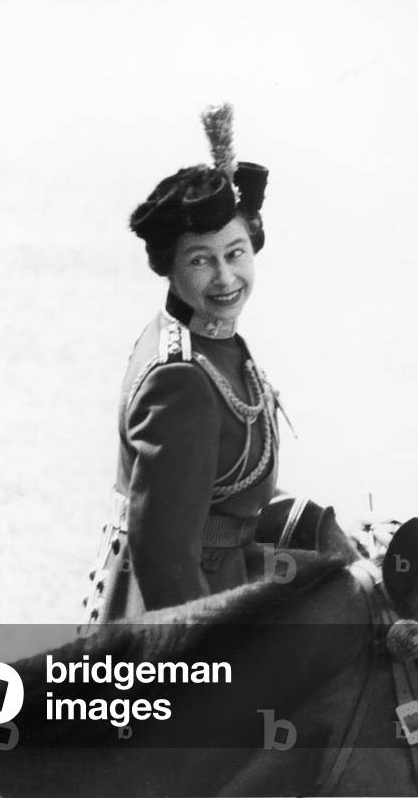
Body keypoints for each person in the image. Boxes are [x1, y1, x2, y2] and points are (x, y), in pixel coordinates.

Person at [86, 105, 281, 623]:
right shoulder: (181, 379)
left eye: (236, 253)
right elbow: (165, 560)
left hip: (228, 581)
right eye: (201, 260)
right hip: (189, 615)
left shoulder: (206, 342)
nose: (225, 278)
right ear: (169, 268)